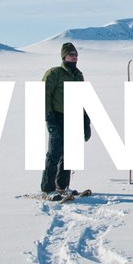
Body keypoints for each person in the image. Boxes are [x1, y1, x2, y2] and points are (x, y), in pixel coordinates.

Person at [41, 42, 91, 197]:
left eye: (76, 55)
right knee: (54, 153)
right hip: (57, 116)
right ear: (64, 56)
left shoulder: (78, 75)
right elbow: (43, 95)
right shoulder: (54, 73)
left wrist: (85, 121)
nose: (74, 57)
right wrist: (49, 118)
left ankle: (62, 186)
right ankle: (48, 189)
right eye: (71, 54)